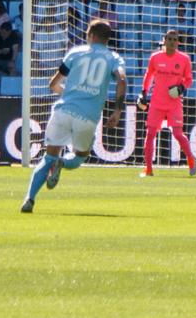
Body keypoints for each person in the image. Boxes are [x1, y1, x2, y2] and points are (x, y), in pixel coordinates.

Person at [22, 20, 129, 214]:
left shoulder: (76, 52)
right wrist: (117, 110)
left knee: (47, 157)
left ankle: (29, 199)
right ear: (107, 39)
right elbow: (121, 80)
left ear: (91, 35)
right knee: (80, 156)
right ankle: (61, 163)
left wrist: (70, 94)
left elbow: (53, 84)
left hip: (62, 111)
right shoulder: (113, 57)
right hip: (87, 116)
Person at [140, 28, 196, 178]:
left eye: (174, 39)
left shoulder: (184, 59)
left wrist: (181, 88)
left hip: (174, 103)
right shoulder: (155, 57)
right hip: (157, 102)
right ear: (164, 40)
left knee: (178, 133)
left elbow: (189, 79)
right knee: (150, 133)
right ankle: (149, 169)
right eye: (169, 39)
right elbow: (149, 75)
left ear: (178, 42)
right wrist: (144, 92)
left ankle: (190, 159)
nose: (172, 42)